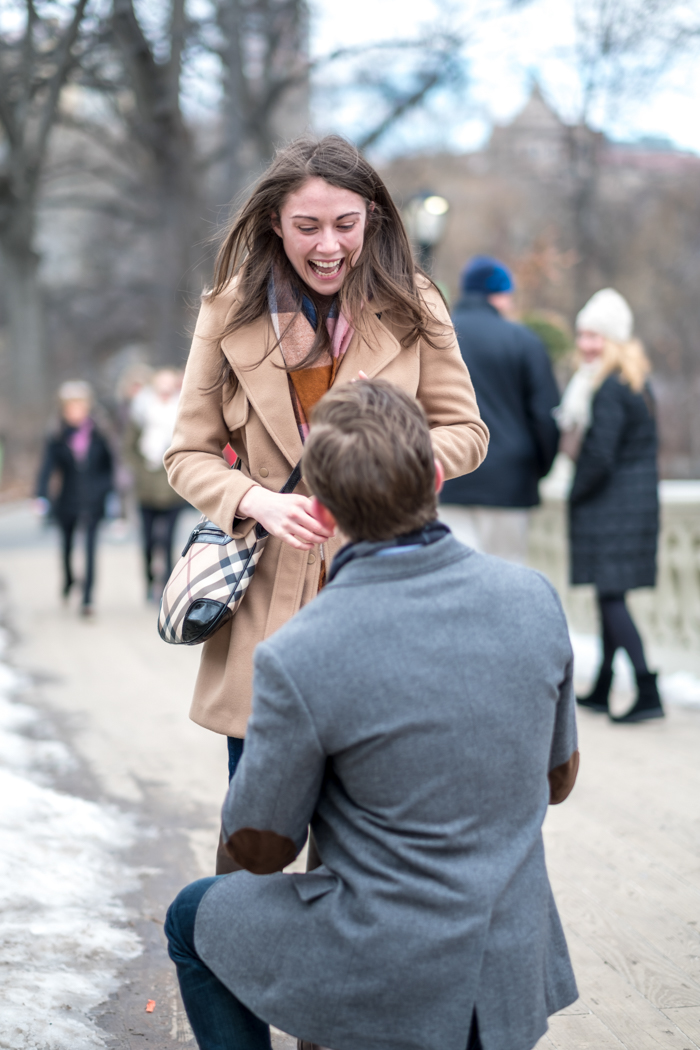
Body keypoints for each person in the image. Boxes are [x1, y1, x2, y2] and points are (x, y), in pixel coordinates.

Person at [165, 379, 579, 1050]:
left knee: (191, 918)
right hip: (507, 970)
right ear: (436, 476)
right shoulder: (533, 598)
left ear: (321, 514)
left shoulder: (300, 655)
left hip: (387, 972)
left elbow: (262, 847)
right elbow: (558, 779)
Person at [164, 135, 489, 872]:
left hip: (381, 596)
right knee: (255, 844)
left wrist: (388, 467)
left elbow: (466, 431)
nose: (329, 244)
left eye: (345, 223)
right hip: (266, 617)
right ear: (275, 221)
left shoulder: (416, 302)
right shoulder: (228, 309)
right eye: (308, 225)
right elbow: (185, 453)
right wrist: (255, 502)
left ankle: (349, 985)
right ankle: (241, 977)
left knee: (361, 854)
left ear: (371, 216)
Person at [561, 288, 662, 723]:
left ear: (615, 339)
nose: (586, 344)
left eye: (595, 336)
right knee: (610, 595)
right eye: (582, 335)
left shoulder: (610, 387)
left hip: (613, 507)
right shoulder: (632, 380)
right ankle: (604, 685)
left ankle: (646, 688)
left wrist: (574, 491)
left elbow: (600, 455)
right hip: (630, 505)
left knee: (612, 601)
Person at [440, 254, 560, 563]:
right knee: (506, 578)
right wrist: (538, 469)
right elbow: (545, 416)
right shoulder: (524, 341)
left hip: (449, 474)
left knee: (456, 578)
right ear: (500, 294)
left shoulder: (437, 337)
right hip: (510, 482)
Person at [35, 381, 113, 617]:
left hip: (93, 500)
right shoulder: (57, 435)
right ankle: (69, 580)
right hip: (67, 500)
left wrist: (106, 491)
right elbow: (47, 468)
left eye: (80, 406)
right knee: (67, 547)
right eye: (71, 407)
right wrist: (40, 495)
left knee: (90, 549)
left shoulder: (100, 433)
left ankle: (88, 598)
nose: (76, 412)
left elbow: (109, 467)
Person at [125, 368, 185, 601]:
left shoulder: (182, 411)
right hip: (146, 488)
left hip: (173, 488)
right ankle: (150, 581)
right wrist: (139, 471)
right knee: (148, 540)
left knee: (169, 540)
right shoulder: (140, 412)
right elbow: (127, 447)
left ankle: (168, 584)